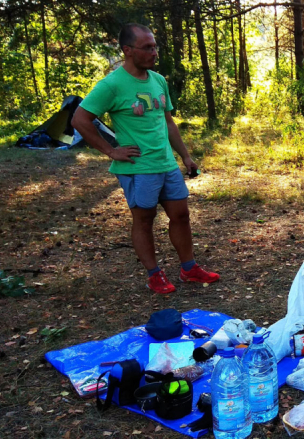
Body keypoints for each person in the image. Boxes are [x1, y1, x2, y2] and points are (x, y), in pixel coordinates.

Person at [71, 23, 219, 294]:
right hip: (138, 167)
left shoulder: (158, 80)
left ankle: (189, 269)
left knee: (181, 215)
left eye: (154, 46)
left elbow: (168, 121)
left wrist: (185, 156)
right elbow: (79, 119)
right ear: (128, 50)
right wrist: (111, 151)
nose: (154, 52)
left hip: (166, 163)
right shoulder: (112, 84)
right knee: (144, 219)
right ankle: (155, 275)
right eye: (147, 47)